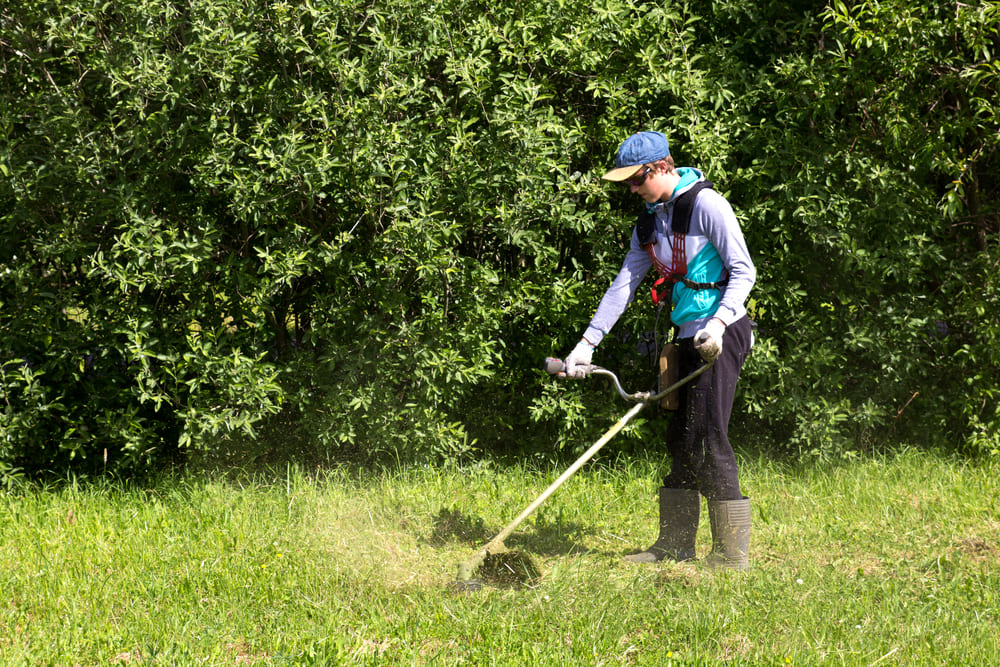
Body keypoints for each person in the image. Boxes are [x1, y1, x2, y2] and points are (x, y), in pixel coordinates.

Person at [562, 131, 756, 570]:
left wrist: (720, 323)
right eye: (628, 183)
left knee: (709, 435)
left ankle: (730, 556)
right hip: (686, 336)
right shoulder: (649, 222)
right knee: (680, 438)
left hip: (721, 333)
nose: (632, 190)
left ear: (662, 167)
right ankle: (675, 546)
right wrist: (585, 345)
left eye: (636, 180)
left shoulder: (707, 205)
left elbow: (744, 272)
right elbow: (624, 286)